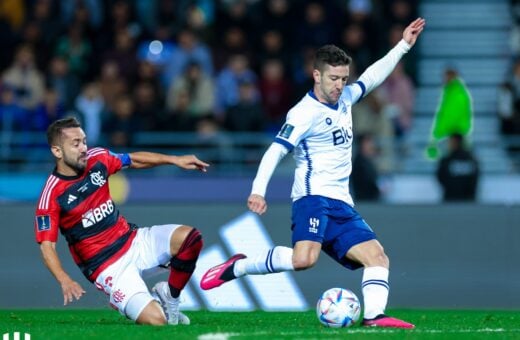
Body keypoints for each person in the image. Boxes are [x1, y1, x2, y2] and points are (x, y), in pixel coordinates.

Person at [200, 18, 426, 329]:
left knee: (377, 256)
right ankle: (240, 266)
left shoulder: (345, 98)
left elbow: (373, 77)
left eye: (344, 79)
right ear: (316, 74)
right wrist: (258, 190)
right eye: (333, 78)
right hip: (313, 197)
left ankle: (374, 317)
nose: (339, 85)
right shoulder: (303, 113)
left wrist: (402, 45)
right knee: (304, 260)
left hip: (342, 202)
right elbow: (275, 151)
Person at [35, 117, 209, 325]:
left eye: (84, 141)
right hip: (108, 267)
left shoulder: (97, 158)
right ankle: (130, 303)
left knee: (191, 238)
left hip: (133, 240)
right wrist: (64, 279)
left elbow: (133, 159)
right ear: (57, 151)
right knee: (158, 321)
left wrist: (174, 160)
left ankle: (170, 297)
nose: (83, 148)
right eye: (75, 143)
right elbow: (47, 247)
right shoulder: (52, 195)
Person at [426, 67, 473, 160]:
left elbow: (450, 117)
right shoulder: (450, 93)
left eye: (446, 76)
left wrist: (439, 135)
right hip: (450, 135)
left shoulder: (457, 94)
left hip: (453, 136)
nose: (444, 79)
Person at [436, 133, 479, 201]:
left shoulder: (447, 160)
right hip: (467, 199)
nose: (448, 144)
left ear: (456, 142)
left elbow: (440, 176)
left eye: (450, 142)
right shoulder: (471, 158)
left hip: (452, 198)